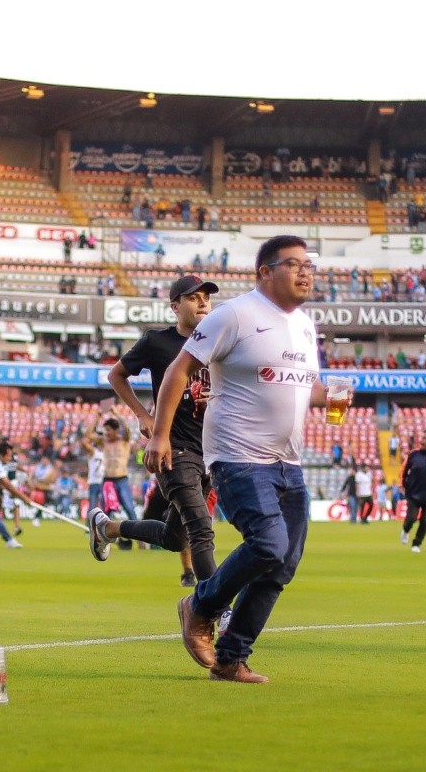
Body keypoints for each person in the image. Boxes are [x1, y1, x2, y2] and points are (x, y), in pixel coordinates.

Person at [144, 234, 329, 684]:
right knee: (268, 545)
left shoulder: (305, 326)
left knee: (281, 564)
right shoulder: (235, 315)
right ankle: (201, 603)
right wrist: (161, 435)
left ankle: (230, 658)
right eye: (293, 264)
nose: (305, 272)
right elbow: (178, 370)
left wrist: (333, 395)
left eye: (310, 265)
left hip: (289, 462)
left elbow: (309, 388)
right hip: (238, 456)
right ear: (265, 271)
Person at [89, 274, 221, 588]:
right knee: (202, 528)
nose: (202, 301)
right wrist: (142, 415)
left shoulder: (220, 343)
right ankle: (218, 610)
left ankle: (107, 529)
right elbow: (116, 375)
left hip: (210, 452)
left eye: (206, 296)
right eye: (193, 297)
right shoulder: (157, 341)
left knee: (175, 537)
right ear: (175, 306)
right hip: (173, 448)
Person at [82, 407, 137, 522]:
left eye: (108, 430)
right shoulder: (103, 441)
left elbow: (126, 429)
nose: (106, 432)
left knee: (129, 507)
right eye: (105, 430)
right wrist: (97, 417)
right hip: (107, 480)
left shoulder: (124, 441)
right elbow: (88, 435)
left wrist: (116, 414)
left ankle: (139, 536)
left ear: (116, 430)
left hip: (121, 479)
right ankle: (106, 536)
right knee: (106, 511)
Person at [0, 441, 33, 548]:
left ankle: (9, 540)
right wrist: (24, 498)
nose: (10, 458)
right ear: (1, 455)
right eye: (8, 456)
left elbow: (2, 484)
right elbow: (7, 484)